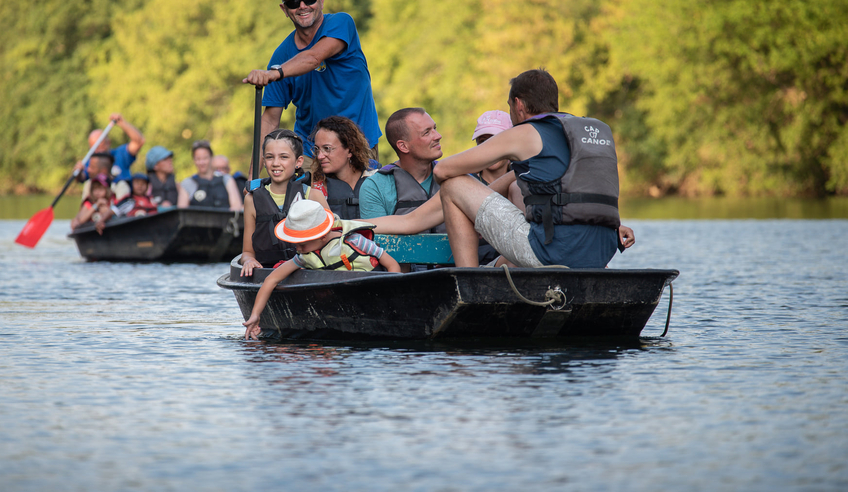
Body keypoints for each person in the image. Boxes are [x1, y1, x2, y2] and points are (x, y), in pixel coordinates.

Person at [433, 69, 636, 269]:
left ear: (518, 105)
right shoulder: (587, 134)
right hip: (602, 253)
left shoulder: (527, 131)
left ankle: (468, 281)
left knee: (453, 184)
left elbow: (441, 170)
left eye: (509, 107)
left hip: (553, 253)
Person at [242, 0, 383, 169]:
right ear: (284, 10)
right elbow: (270, 120)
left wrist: (275, 73)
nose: (302, 6)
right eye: (293, 2)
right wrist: (252, 178)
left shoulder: (342, 23)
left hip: (357, 144)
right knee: (301, 188)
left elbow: (314, 57)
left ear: (321, 0)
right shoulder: (281, 57)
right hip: (311, 153)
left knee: (362, 189)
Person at [242, 200, 401, 339]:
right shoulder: (305, 256)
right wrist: (255, 315)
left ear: (323, 235)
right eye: (295, 243)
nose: (298, 249)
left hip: (375, 295)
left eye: (302, 244)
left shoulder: (355, 241)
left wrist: (393, 299)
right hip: (346, 305)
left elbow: (392, 265)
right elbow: (271, 279)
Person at [240, 129, 330, 276]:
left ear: (298, 162)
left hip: (307, 270)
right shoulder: (251, 199)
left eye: (284, 157)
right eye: (270, 157)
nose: (276, 163)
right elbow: (247, 252)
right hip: (267, 271)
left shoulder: (313, 196)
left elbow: (330, 241)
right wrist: (249, 260)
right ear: (264, 161)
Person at [358, 108, 445, 232]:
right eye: (426, 133)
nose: (438, 136)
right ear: (403, 146)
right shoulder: (375, 187)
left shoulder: (453, 176)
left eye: (434, 128)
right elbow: (377, 242)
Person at [309, 116, 376, 219]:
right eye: (317, 149)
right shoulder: (316, 190)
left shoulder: (377, 179)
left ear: (350, 150)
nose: (319, 156)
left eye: (327, 148)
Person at [75, 113, 145, 199]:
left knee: (122, 185)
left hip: (119, 200)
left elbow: (139, 142)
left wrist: (122, 123)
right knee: (88, 184)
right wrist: (78, 172)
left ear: (108, 143)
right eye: (93, 148)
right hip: (98, 200)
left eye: (99, 146)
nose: (97, 151)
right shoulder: (91, 161)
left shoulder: (120, 154)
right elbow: (81, 178)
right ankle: (88, 207)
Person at [177, 140, 244, 210]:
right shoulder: (188, 183)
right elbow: (182, 211)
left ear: (211, 158)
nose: (201, 162)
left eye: (205, 158)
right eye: (198, 159)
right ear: (194, 160)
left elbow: (236, 207)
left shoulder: (226, 179)